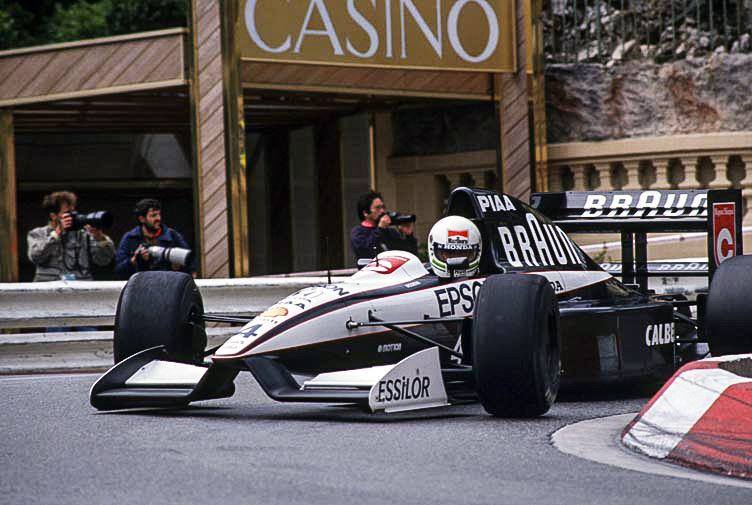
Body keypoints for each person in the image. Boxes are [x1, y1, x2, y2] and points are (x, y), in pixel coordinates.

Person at [27, 191, 115, 282]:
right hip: (49, 287)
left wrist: (99, 238)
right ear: (53, 216)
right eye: (68, 213)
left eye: (73, 211)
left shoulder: (84, 235)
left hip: (80, 287)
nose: (72, 216)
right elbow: (36, 257)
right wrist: (57, 234)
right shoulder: (38, 233)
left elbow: (104, 261)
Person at [115, 198, 196, 279]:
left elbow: (190, 264)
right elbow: (119, 270)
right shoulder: (130, 238)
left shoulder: (173, 236)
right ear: (141, 219)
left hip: (167, 285)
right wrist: (134, 260)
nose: (158, 218)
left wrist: (177, 267)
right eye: (153, 215)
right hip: (140, 286)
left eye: (159, 214)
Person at [350, 191, 417, 262]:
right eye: (377, 208)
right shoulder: (358, 232)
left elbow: (409, 256)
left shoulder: (390, 232)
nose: (382, 211)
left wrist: (409, 235)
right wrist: (380, 229)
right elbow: (366, 251)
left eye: (383, 207)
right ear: (365, 213)